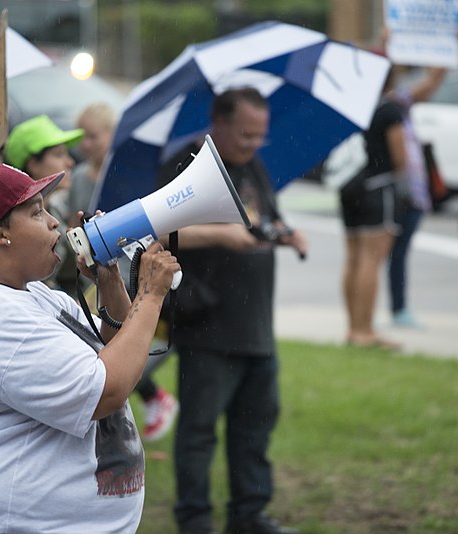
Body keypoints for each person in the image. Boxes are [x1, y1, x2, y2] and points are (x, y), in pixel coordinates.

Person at [0, 164, 179, 532]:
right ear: (0, 235)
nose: (55, 224)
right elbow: (105, 392)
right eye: (37, 212)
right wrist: (151, 294)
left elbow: (122, 355)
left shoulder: (37, 296)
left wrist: (109, 278)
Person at [158, 87, 306, 534]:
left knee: (255, 429)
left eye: (260, 136)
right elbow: (159, 233)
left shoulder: (254, 166)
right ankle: (195, 520)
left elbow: (262, 220)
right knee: (199, 433)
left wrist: (285, 233)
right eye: (244, 135)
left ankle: (249, 514)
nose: (252, 144)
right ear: (217, 123)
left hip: (256, 324)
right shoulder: (187, 165)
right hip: (208, 325)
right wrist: (220, 235)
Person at [72, 103, 179, 443]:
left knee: (126, 343)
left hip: (129, 273)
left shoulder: (126, 173)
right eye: (82, 137)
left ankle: (148, 398)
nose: (85, 144)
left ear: (112, 136)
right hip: (100, 274)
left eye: (93, 136)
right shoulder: (79, 178)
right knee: (107, 346)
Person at [339, 67, 407, 349]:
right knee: (371, 260)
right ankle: (365, 331)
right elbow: (399, 156)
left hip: (348, 187)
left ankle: (353, 328)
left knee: (354, 258)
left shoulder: (351, 108)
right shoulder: (388, 110)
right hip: (377, 188)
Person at [385, 66, 447, 328]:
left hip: (409, 193)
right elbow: (429, 84)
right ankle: (396, 309)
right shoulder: (390, 107)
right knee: (393, 254)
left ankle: (395, 308)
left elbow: (431, 83)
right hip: (402, 194)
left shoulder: (394, 104)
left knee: (394, 254)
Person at [3, 114, 84, 294]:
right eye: (58, 155)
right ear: (33, 164)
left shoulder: (55, 209)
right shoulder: (19, 220)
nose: (70, 162)